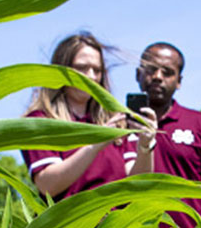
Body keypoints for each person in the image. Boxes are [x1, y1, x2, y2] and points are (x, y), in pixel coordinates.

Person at [22, 32, 155, 199]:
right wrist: (95, 145)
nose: (91, 76)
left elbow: (138, 184)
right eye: (81, 68)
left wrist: (145, 145)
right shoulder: (40, 121)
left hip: (117, 222)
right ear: (61, 70)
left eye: (97, 70)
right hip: (70, 223)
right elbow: (48, 185)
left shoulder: (118, 121)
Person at [134, 42, 201, 228]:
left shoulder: (200, 123)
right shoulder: (116, 124)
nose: (157, 77)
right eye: (151, 69)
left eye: (167, 72)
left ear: (179, 81)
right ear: (138, 74)